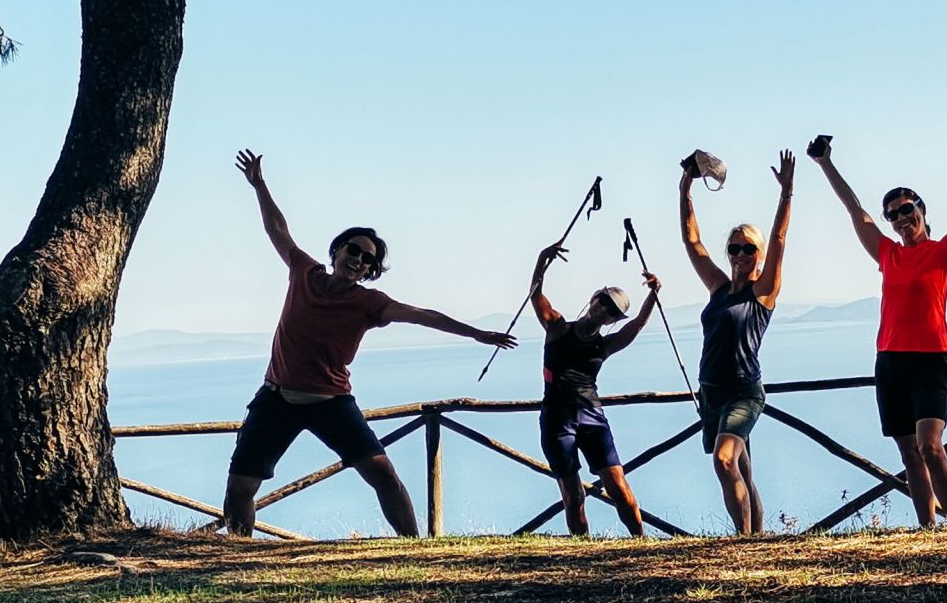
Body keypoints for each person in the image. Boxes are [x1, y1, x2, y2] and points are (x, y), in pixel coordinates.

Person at [222, 150, 514, 537]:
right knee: (240, 487)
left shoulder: (369, 303)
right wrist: (260, 186)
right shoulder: (304, 273)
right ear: (337, 252)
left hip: (331, 402)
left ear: (371, 272)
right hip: (276, 398)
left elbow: (422, 315)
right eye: (353, 250)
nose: (358, 260)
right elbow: (278, 229)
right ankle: (237, 553)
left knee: (383, 474)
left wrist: (477, 334)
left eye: (368, 260)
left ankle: (415, 549)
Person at [810, 121, 947, 529]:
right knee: (909, 451)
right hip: (891, 359)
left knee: (930, 445)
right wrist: (826, 164)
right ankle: (927, 527)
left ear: (922, 210)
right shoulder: (888, 254)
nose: (899, 219)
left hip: (933, 359)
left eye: (906, 210)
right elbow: (854, 211)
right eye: (892, 215)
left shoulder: (945, 252)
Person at [680, 150, 794, 535]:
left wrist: (787, 193)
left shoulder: (763, 292)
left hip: (745, 392)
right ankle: (757, 537)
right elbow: (692, 241)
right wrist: (686, 188)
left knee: (725, 461)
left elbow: (779, 238)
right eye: (734, 248)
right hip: (711, 391)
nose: (741, 254)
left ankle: (742, 541)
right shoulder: (718, 288)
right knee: (741, 467)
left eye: (749, 248)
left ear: (759, 255)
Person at [527, 242, 663, 537]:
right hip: (556, 419)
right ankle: (583, 549)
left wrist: (654, 293)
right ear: (594, 299)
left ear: (613, 320)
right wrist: (542, 260)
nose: (604, 311)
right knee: (573, 495)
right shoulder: (558, 327)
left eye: (612, 312)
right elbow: (535, 296)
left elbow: (638, 325)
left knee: (619, 488)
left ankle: (640, 543)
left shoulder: (605, 345)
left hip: (592, 417)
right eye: (603, 302)